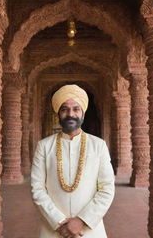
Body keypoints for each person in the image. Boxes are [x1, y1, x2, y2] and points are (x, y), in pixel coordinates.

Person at [31, 84, 115, 238]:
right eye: (64, 109)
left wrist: (81, 221)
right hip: (53, 229)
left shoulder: (98, 145)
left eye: (76, 109)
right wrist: (59, 222)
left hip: (89, 230)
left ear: (82, 114)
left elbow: (107, 188)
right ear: (58, 114)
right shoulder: (44, 146)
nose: (71, 114)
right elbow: (37, 188)